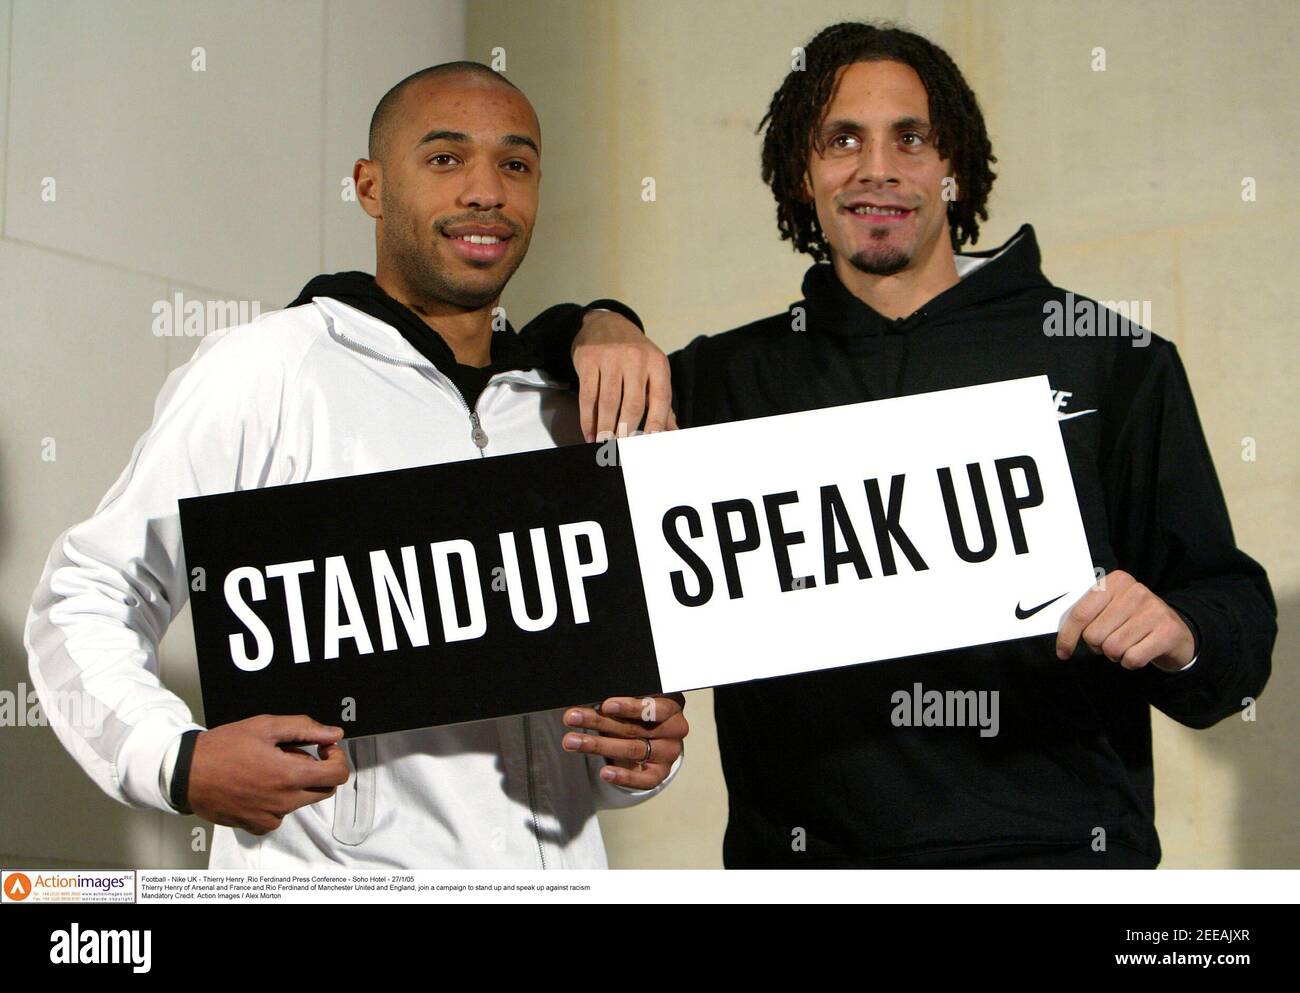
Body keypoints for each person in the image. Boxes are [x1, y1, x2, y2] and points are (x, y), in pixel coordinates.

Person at [524, 22, 1275, 867]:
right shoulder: (719, 384)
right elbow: (516, 372)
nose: (876, 167)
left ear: (953, 164)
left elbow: (1233, 624)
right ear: (802, 176)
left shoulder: (1109, 359)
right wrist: (597, 321)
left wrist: (1181, 629)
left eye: (909, 138)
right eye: (843, 139)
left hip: (1063, 865)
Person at [24, 61, 686, 870]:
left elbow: (606, 726)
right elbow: (84, 594)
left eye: (515, 164)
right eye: (445, 159)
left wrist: (642, 749)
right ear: (370, 187)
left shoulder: (569, 406)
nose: (486, 191)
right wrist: (176, 759)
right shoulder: (268, 369)